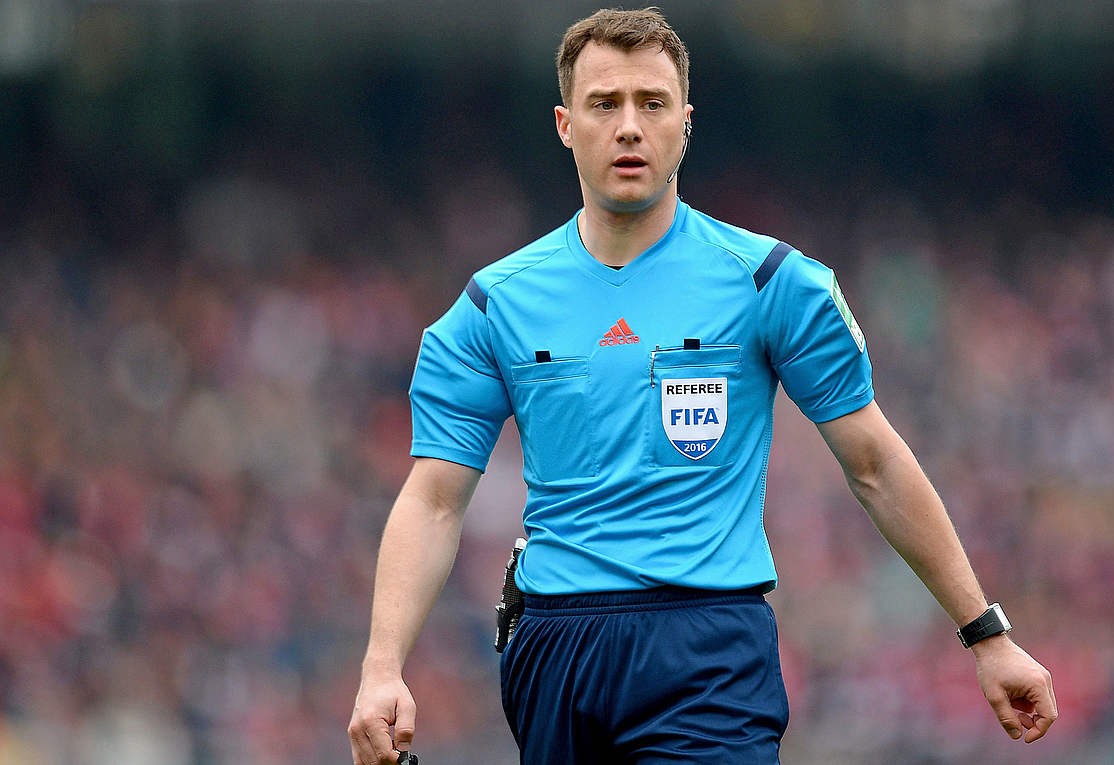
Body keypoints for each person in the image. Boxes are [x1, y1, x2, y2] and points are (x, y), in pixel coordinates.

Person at [347, 8, 1058, 765]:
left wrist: (988, 633)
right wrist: (382, 667)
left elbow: (875, 462)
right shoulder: (494, 303)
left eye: (651, 104)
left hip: (708, 646)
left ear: (686, 122)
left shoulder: (771, 282)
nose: (629, 127)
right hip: (555, 645)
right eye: (604, 103)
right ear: (564, 123)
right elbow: (433, 496)